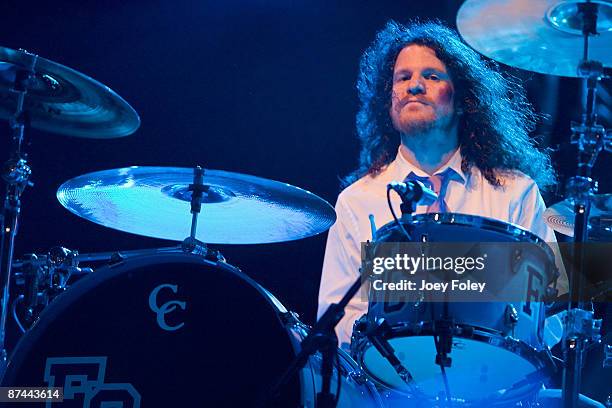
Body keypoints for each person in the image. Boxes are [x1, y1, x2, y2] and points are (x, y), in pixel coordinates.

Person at [317, 20, 569, 349]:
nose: (414, 86)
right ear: (389, 102)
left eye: (432, 76)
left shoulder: (515, 193)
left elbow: (548, 310)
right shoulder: (356, 202)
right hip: (390, 388)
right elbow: (336, 320)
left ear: (464, 99)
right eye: (403, 78)